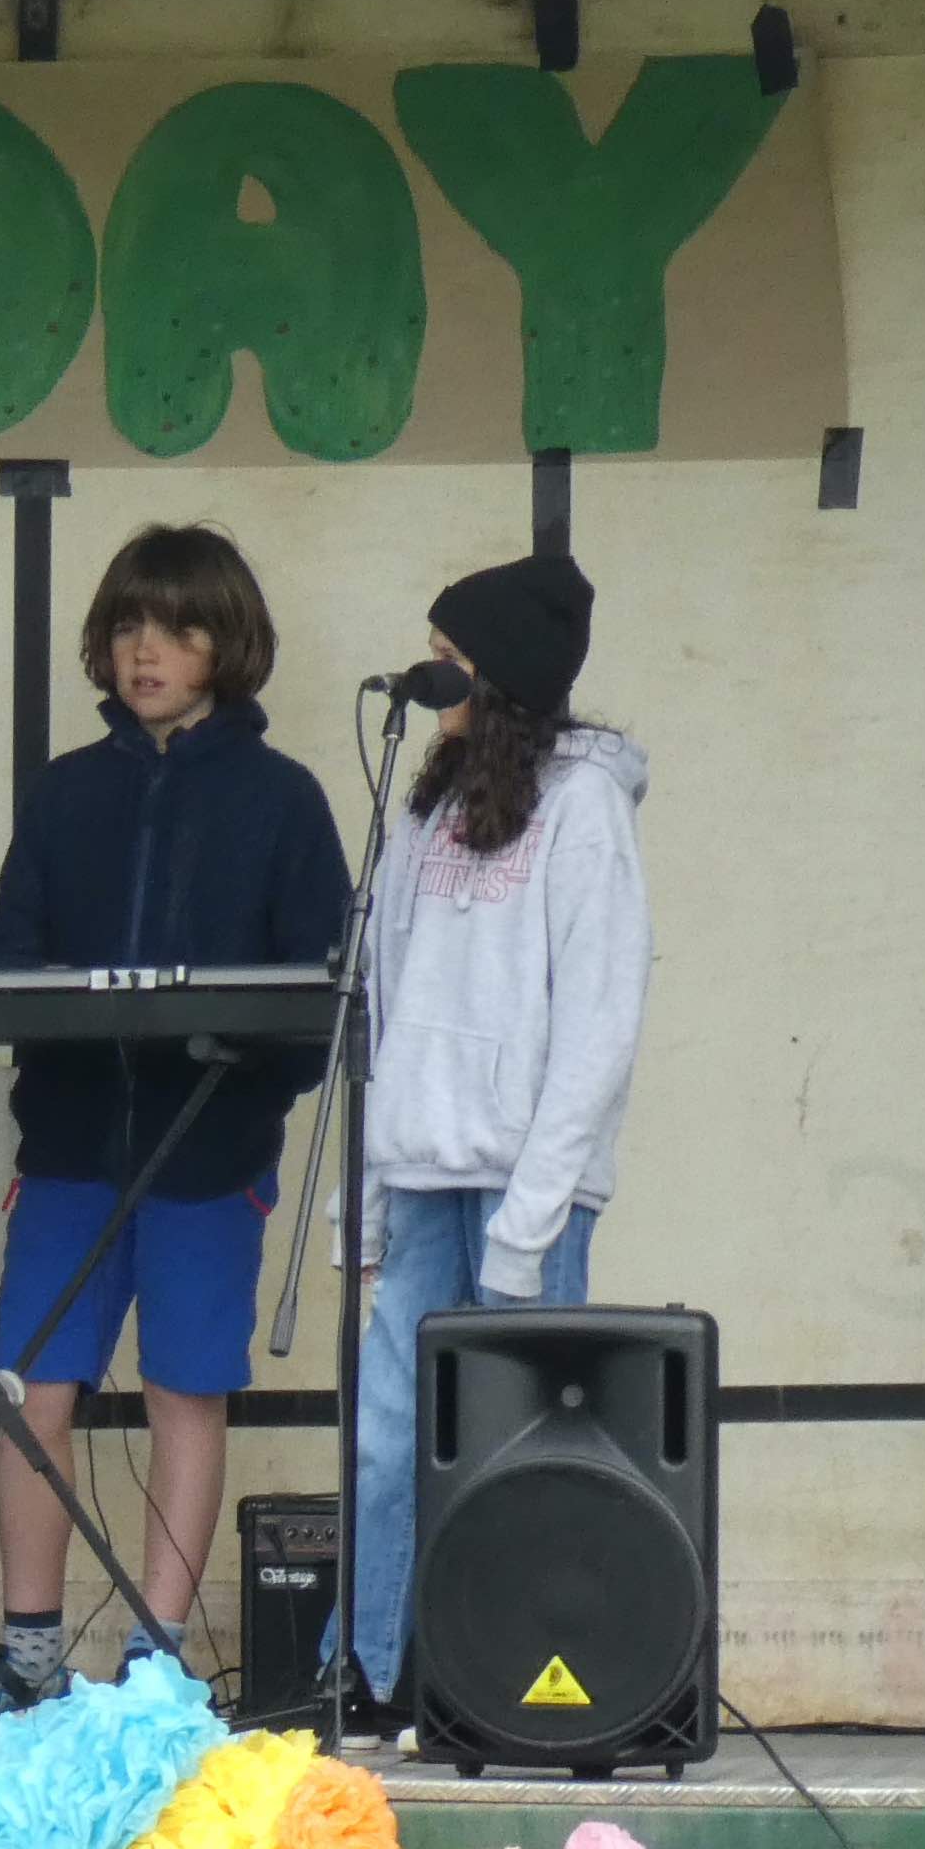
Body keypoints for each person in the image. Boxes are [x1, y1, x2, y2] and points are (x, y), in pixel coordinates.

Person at [0, 526, 350, 1733]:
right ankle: (31, 1652)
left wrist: (243, 1087)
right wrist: (47, 1082)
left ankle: (156, 1668)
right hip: (68, 1153)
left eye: (178, 628)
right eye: (127, 628)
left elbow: (321, 997)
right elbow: (10, 963)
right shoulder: (66, 791)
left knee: (183, 1391)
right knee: (30, 1387)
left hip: (210, 1158)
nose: (146, 651)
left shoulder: (285, 799)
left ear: (228, 644)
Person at [346, 548, 649, 1708]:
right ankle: (368, 1677)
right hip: (419, 1175)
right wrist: (364, 1207)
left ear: (504, 676)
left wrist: (532, 1217)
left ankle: (498, 1682)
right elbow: (383, 1009)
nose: (430, 683)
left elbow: (598, 1025)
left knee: (512, 1459)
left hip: (525, 1190)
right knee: (387, 1443)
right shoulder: (423, 810)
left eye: (449, 662)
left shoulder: (582, 811)